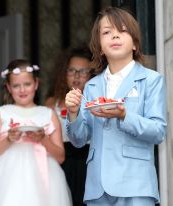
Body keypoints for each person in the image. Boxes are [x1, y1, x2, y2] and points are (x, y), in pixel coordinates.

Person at [65, 7, 167, 206]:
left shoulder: (151, 80)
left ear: (135, 44)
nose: (114, 36)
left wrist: (124, 115)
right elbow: (78, 140)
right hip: (97, 187)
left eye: (122, 31)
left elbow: (158, 131)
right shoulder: (92, 86)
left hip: (136, 184)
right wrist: (73, 113)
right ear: (100, 47)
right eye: (106, 32)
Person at [0, 59, 72, 206]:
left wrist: (43, 139)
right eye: (16, 86)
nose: (22, 90)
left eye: (27, 84)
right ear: (9, 88)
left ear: (36, 84)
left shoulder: (48, 114)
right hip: (7, 180)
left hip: (44, 178)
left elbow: (60, 157)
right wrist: (8, 140)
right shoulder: (0, 114)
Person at [45, 47, 93, 206]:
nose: (77, 76)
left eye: (83, 71)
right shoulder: (52, 102)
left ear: (91, 74)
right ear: (64, 73)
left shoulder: (96, 101)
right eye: (71, 70)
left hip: (88, 163)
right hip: (60, 163)